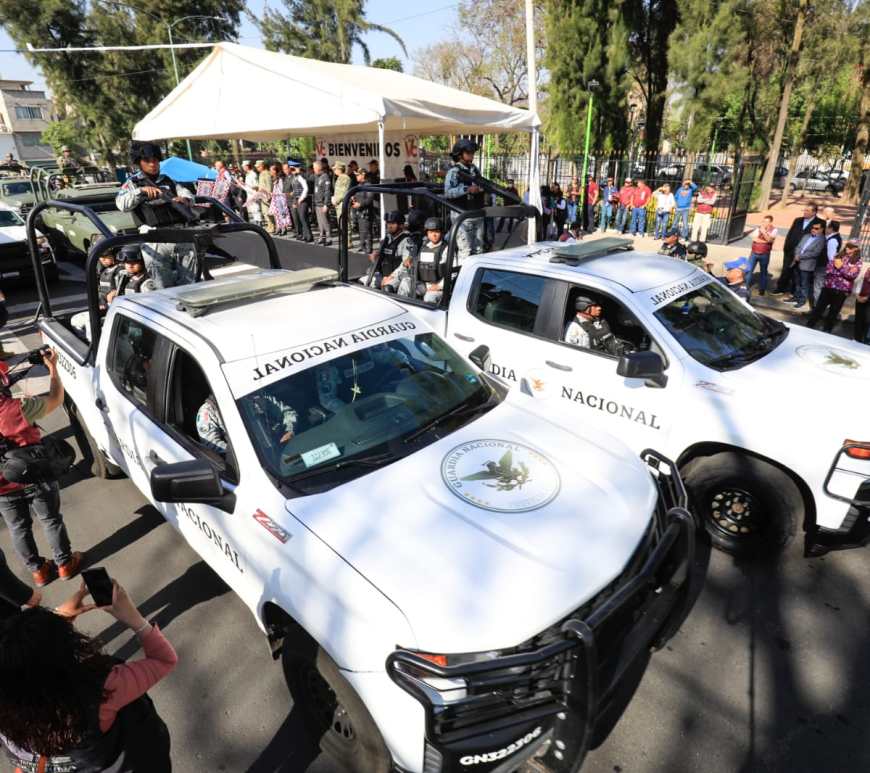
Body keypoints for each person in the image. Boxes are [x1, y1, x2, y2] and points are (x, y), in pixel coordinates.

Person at [0, 579, 177, 772]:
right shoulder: (101, 689)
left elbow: (29, 664)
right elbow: (164, 660)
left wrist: (57, 619)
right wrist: (132, 617)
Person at [0, 351, 81, 586]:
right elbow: (56, 398)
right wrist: (52, 368)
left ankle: (38, 571)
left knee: (18, 528)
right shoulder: (18, 407)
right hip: (36, 474)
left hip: (3, 487)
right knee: (51, 520)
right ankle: (65, 564)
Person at [115, 141, 197, 289]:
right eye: (147, 161)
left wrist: (185, 199)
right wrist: (141, 191)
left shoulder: (168, 180)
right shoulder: (133, 183)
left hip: (180, 234)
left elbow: (187, 194)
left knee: (190, 283)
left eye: (155, 160)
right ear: (139, 163)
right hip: (154, 238)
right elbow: (121, 204)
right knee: (162, 286)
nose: (152, 164)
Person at [807, 241, 863, 333]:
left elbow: (852, 275)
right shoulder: (838, 255)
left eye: (850, 247)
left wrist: (840, 267)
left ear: (856, 249)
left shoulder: (858, 261)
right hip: (828, 286)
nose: (847, 248)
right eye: (847, 246)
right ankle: (810, 325)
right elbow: (829, 269)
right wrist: (843, 271)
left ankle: (827, 330)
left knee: (833, 312)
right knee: (819, 308)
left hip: (842, 290)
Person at [444, 138, 486, 258]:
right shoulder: (454, 172)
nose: (472, 154)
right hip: (462, 215)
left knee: (479, 250)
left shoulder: (474, 169)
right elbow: (448, 192)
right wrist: (466, 189)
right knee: (465, 251)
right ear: (460, 154)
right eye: (468, 152)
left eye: (472, 152)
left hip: (477, 214)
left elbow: (482, 183)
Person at [773, 204, 824, 295]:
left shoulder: (820, 222)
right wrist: (786, 246)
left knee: (799, 273)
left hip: (805, 254)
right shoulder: (798, 220)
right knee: (786, 269)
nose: (805, 212)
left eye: (807, 210)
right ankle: (781, 288)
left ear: (814, 212)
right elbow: (790, 233)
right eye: (804, 210)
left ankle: (794, 292)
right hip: (791, 250)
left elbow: (820, 237)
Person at [366, 211, 411, 289]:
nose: (389, 226)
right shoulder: (386, 239)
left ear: (401, 225)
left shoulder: (406, 241)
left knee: (387, 287)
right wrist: (375, 257)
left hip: (398, 276)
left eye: (393, 223)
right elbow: (381, 258)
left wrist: (391, 276)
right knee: (363, 282)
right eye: (388, 223)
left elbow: (405, 265)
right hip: (384, 274)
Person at [790, 221, 826, 309]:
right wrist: (796, 255)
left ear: (821, 230)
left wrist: (800, 256)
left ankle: (802, 300)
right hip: (796, 261)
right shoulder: (806, 236)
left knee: (804, 284)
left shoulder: (822, 240)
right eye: (812, 228)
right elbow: (798, 247)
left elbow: (815, 253)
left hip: (807, 264)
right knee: (797, 281)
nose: (813, 230)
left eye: (816, 228)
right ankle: (796, 297)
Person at [414, 217, 448, 303]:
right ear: (427, 233)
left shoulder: (446, 249)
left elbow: (452, 272)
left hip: (439, 287)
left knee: (429, 297)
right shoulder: (423, 247)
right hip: (423, 284)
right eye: (431, 232)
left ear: (441, 233)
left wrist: (440, 286)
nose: (434, 235)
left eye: (437, 232)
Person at [745, 215, 778, 297]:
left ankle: (762, 290)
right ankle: (745, 286)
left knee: (763, 272)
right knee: (749, 270)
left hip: (765, 254)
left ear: (770, 222)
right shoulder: (758, 228)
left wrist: (763, 233)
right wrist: (765, 241)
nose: (764, 223)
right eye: (763, 221)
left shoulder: (774, 230)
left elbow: (770, 240)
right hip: (754, 252)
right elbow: (754, 239)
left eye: (766, 221)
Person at [351, 169, 376, 254]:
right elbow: (357, 196)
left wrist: (360, 204)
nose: (356, 176)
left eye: (358, 175)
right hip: (359, 212)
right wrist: (353, 198)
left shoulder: (368, 185)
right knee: (361, 231)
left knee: (367, 231)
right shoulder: (359, 185)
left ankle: (368, 249)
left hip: (366, 212)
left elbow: (370, 199)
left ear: (363, 175)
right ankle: (363, 246)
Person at [819, 220, 843, 305]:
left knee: (818, 286)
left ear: (831, 228)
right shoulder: (832, 237)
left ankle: (817, 307)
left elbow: (831, 257)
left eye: (827, 227)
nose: (825, 229)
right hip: (824, 266)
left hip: (824, 266)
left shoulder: (832, 240)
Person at [288, 163, 312, 243]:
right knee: (301, 218)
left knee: (303, 217)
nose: (292, 171)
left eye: (293, 169)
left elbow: (306, 188)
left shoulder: (301, 176)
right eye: (291, 170)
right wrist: (294, 197)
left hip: (302, 200)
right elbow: (295, 189)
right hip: (297, 199)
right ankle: (305, 235)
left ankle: (309, 236)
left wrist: (301, 198)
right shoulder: (295, 178)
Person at [268, 163, 292, 236]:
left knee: (281, 213)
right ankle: (278, 227)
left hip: (280, 198)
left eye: (271, 170)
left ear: (275, 171)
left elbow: (282, 190)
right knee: (276, 214)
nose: (270, 172)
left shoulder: (280, 179)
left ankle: (283, 228)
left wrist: (275, 193)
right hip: (275, 198)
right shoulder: (274, 178)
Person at [313, 161, 333, 246]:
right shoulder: (317, 177)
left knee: (325, 222)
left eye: (314, 168)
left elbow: (327, 192)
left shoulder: (325, 177)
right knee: (320, 222)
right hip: (317, 203)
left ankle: (329, 238)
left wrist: (326, 204)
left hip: (322, 204)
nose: (313, 169)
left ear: (318, 168)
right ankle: (322, 237)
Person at [853, 256, 870, 344]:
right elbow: (859, 281)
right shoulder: (866, 268)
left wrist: (867, 297)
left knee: (867, 320)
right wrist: (857, 295)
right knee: (858, 319)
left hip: (868, 298)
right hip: (860, 296)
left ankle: (865, 340)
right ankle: (857, 339)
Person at [332, 163, 352, 235]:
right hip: (339, 203)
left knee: (345, 222)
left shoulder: (344, 178)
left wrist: (336, 201)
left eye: (335, 169)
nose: (334, 170)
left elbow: (343, 192)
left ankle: (347, 240)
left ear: (339, 169)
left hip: (342, 203)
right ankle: (344, 238)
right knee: (341, 222)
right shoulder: (340, 177)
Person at [255, 160, 275, 233]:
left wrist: (268, 196)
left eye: (258, 166)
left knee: (268, 212)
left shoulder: (266, 174)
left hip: (266, 196)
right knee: (265, 212)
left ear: (262, 166)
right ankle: (269, 225)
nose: (257, 168)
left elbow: (269, 186)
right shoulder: (261, 174)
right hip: (262, 196)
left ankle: (272, 226)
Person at [242, 161, 262, 225]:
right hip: (249, 194)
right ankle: (256, 222)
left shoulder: (253, 174)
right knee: (253, 210)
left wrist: (251, 187)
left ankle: (259, 223)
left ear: (247, 166)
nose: (243, 168)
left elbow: (256, 185)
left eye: (244, 166)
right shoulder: (247, 174)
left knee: (256, 209)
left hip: (254, 194)